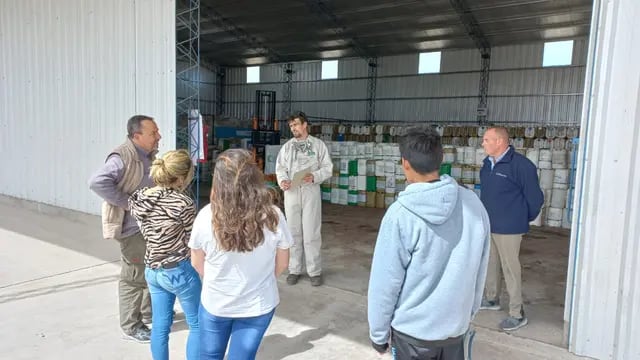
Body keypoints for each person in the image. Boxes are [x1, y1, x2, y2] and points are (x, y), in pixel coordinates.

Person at [367, 127, 491, 360]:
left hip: (412, 335)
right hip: (455, 331)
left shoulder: (400, 215)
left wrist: (379, 334)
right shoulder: (474, 205)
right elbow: (480, 267)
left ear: (405, 163)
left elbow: (385, 282)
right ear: (441, 159)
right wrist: (468, 314)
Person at [189, 149, 293, 360]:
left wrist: (223, 283)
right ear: (255, 177)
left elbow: (197, 263)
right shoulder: (273, 215)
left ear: (218, 181)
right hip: (258, 305)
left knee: (209, 356)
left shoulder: (206, 216)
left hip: (216, 303)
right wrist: (257, 281)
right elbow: (282, 263)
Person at [88, 115, 161, 343]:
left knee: (150, 270)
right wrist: (128, 203)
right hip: (132, 229)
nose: (158, 136)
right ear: (136, 136)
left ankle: (149, 313)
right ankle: (131, 325)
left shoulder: (147, 155)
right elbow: (96, 182)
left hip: (148, 225)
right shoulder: (123, 157)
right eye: (153, 133)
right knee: (133, 276)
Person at [128, 149, 201, 360]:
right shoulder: (183, 204)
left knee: (160, 326)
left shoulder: (139, 198)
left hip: (152, 270)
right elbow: (192, 241)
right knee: (197, 324)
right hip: (178, 270)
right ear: (180, 177)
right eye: (190, 174)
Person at [479, 126, 544, 331]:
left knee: (510, 268)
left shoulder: (521, 166)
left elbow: (535, 199)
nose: (483, 143)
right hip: (490, 224)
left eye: (487, 140)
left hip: (510, 227)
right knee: (491, 264)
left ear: (499, 142)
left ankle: (517, 313)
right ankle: (492, 299)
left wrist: (521, 218)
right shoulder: (487, 164)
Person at [275, 111, 333, 286]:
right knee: (293, 232)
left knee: (311, 231)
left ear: (305, 124)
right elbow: (280, 168)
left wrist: (314, 176)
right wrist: (283, 180)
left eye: (296, 125)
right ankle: (294, 269)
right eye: (291, 126)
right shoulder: (287, 147)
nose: (293, 128)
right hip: (291, 192)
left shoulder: (318, 145)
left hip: (310, 191)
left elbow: (328, 168)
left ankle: (314, 271)